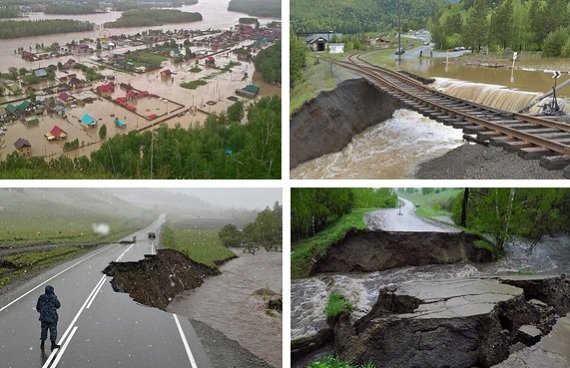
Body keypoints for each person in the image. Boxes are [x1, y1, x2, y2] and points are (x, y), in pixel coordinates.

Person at [36, 285, 61, 350]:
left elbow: (38, 307)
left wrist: (42, 312)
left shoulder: (41, 297)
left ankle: (42, 343)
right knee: (53, 331)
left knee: (44, 330)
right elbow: (58, 305)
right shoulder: (53, 297)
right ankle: (53, 344)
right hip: (52, 318)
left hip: (43, 317)